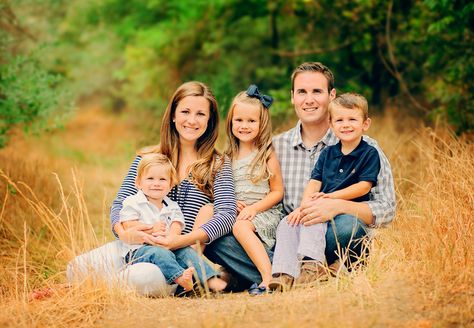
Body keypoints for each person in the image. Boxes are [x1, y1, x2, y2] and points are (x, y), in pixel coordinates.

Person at [204, 62, 396, 292]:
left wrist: (337, 206)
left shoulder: (363, 146)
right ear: (293, 97)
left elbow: (387, 209)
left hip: (332, 234)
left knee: (350, 227)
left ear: (331, 95)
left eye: (317, 91)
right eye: (302, 92)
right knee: (218, 236)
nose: (309, 99)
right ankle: (299, 273)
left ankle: (270, 273)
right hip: (286, 236)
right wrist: (235, 204)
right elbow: (256, 190)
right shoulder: (274, 147)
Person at [67, 81, 237, 296]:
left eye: (201, 114)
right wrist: (125, 233)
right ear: (173, 115)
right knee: (76, 268)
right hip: (133, 246)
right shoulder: (146, 158)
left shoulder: (218, 165)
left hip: (175, 257)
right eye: (185, 111)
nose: (192, 120)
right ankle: (83, 287)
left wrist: (179, 241)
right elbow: (120, 203)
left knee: (136, 279)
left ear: (210, 120)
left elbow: (227, 214)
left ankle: (86, 292)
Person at [273, 92, 381, 288]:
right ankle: (284, 273)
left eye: (352, 119)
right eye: (339, 120)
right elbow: (314, 182)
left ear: (365, 124)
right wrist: (303, 207)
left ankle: (312, 267)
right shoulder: (327, 153)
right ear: (331, 124)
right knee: (286, 224)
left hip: (343, 214)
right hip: (320, 205)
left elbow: (364, 186)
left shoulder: (369, 152)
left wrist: (331, 198)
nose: (345, 124)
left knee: (316, 218)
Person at [119, 153, 224, 291]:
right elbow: (128, 225)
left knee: (186, 251)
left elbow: (177, 224)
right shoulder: (133, 202)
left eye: (162, 179)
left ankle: (211, 280)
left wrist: (172, 238)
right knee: (159, 253)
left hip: (167, 246)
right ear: (139, 183)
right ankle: (181, 279)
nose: (156, 183)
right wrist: (151, 229)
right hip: (139, 250)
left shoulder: (171, 206)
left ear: (170, 184)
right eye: (150, 178)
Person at [225, 85, 284, 295]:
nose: (244, 126)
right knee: (219, 226)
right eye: (239, 120)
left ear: (262, 123)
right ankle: (229, 274)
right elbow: (222, 190)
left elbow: (277, 192)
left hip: (264, 212)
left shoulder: (266, 154)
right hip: (239, 213)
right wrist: (232, 203)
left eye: (251, 121)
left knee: (240, 227)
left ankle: (268, 278)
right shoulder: (226, 157)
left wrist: (255, 208)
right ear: (231, 121)